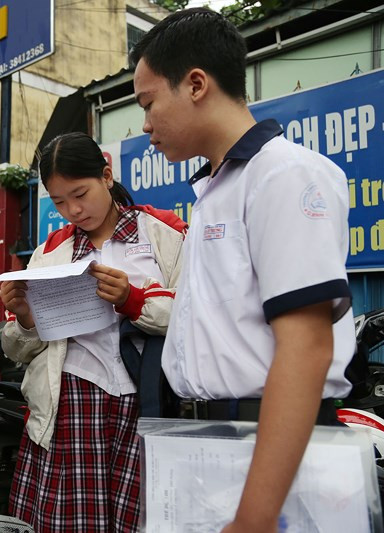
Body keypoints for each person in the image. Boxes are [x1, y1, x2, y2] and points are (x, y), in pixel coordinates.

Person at [130, 8, 355, 533]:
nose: (145, 125)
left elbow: (307, 347)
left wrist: (254, 518)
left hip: (266, 444)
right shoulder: (215, 189)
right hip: (213, 444)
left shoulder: (284, 175)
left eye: (148, 103)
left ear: (196, 84)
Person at [0, 132, 186, 532]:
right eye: (60, 202)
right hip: (71, 405)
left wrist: (131, 300)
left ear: (106, 175)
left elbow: (193, 315)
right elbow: (18, 348)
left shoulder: (164, 233)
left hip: (145, 401)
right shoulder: (51, 251)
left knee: (140, 519)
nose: (73, 210)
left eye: (80, 193)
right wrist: (26, 317)